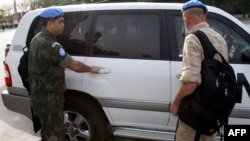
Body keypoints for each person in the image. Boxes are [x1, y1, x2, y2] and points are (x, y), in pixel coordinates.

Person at [28, 7, 100, 141]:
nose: (63, 24)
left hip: (39, 97)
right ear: (50, 23)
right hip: (49, 100)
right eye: (60, 22)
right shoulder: (51, 45)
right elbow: (75, 66)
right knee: (56, 134)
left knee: (47, 131)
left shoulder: (37, 38)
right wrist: (91, 69)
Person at [170, 0, 228, 141]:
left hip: (195, 111)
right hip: (213, 109)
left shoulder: (193, 39)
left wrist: (176, 104)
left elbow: (192, 82)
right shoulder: (219, 38)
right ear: (205, 16)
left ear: (186, 17)